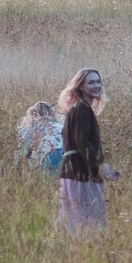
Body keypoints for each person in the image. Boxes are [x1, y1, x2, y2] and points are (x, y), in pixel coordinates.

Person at [54, 66, 117, 233]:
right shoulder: (82, 109)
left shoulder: (76, 108)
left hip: (73, 171)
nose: (96, 85)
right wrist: (100, 165)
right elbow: (82, 141)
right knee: (89, 220)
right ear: (81, 86)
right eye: (91, 82)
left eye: (98, 81)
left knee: (75, 217)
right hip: (81, 173)